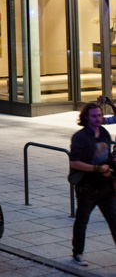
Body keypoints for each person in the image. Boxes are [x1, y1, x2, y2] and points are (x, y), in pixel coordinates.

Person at [69, 103, 116, 266]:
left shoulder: (104, 133)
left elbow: (107, 157)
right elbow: (74, 162)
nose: (98, 119)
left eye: (100, 115)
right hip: (87, 188)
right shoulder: (80, 137)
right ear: (86, 118)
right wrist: (97, 169)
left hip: (105, 187)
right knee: (82, 221)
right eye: (94, 116)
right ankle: (77, 253)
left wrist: (109, 165)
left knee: (114, 220)